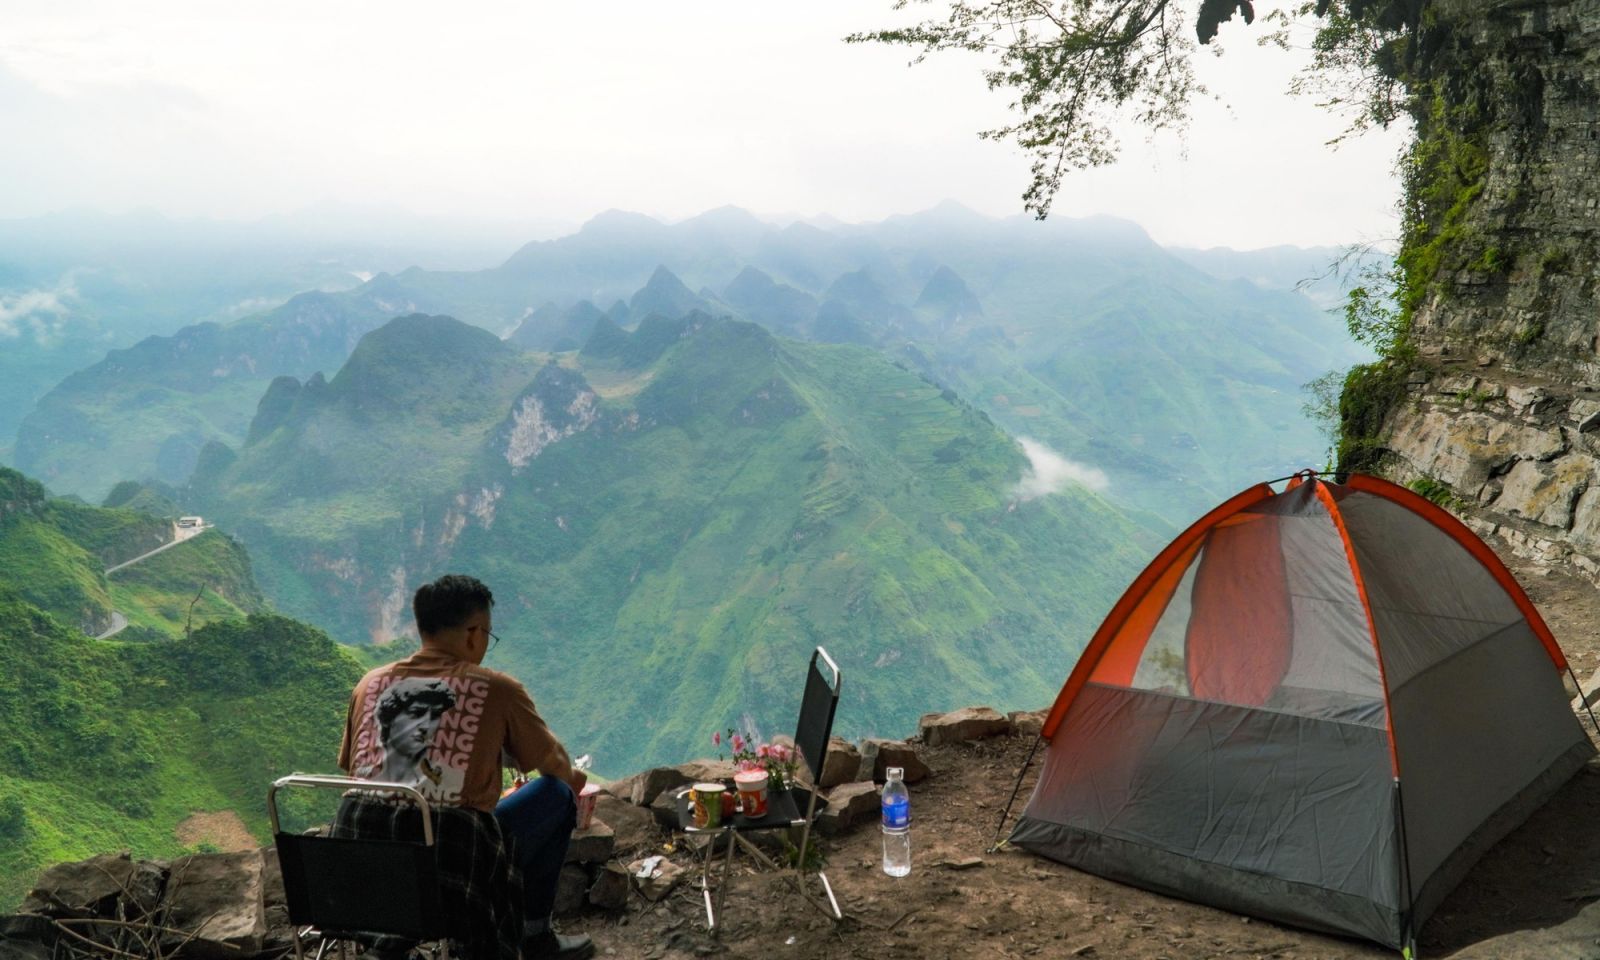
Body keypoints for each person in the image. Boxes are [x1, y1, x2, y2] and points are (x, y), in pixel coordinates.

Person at [337, 574, 593, 960]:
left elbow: (352, 770)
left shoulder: (368, 684)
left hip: (363, 872)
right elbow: (554, 765)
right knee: (557, 796)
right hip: (453, 872)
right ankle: (535, 937)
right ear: (474, 633)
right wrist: (576, 781)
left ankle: (393, 946)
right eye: (487, 636)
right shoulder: (497, 689)